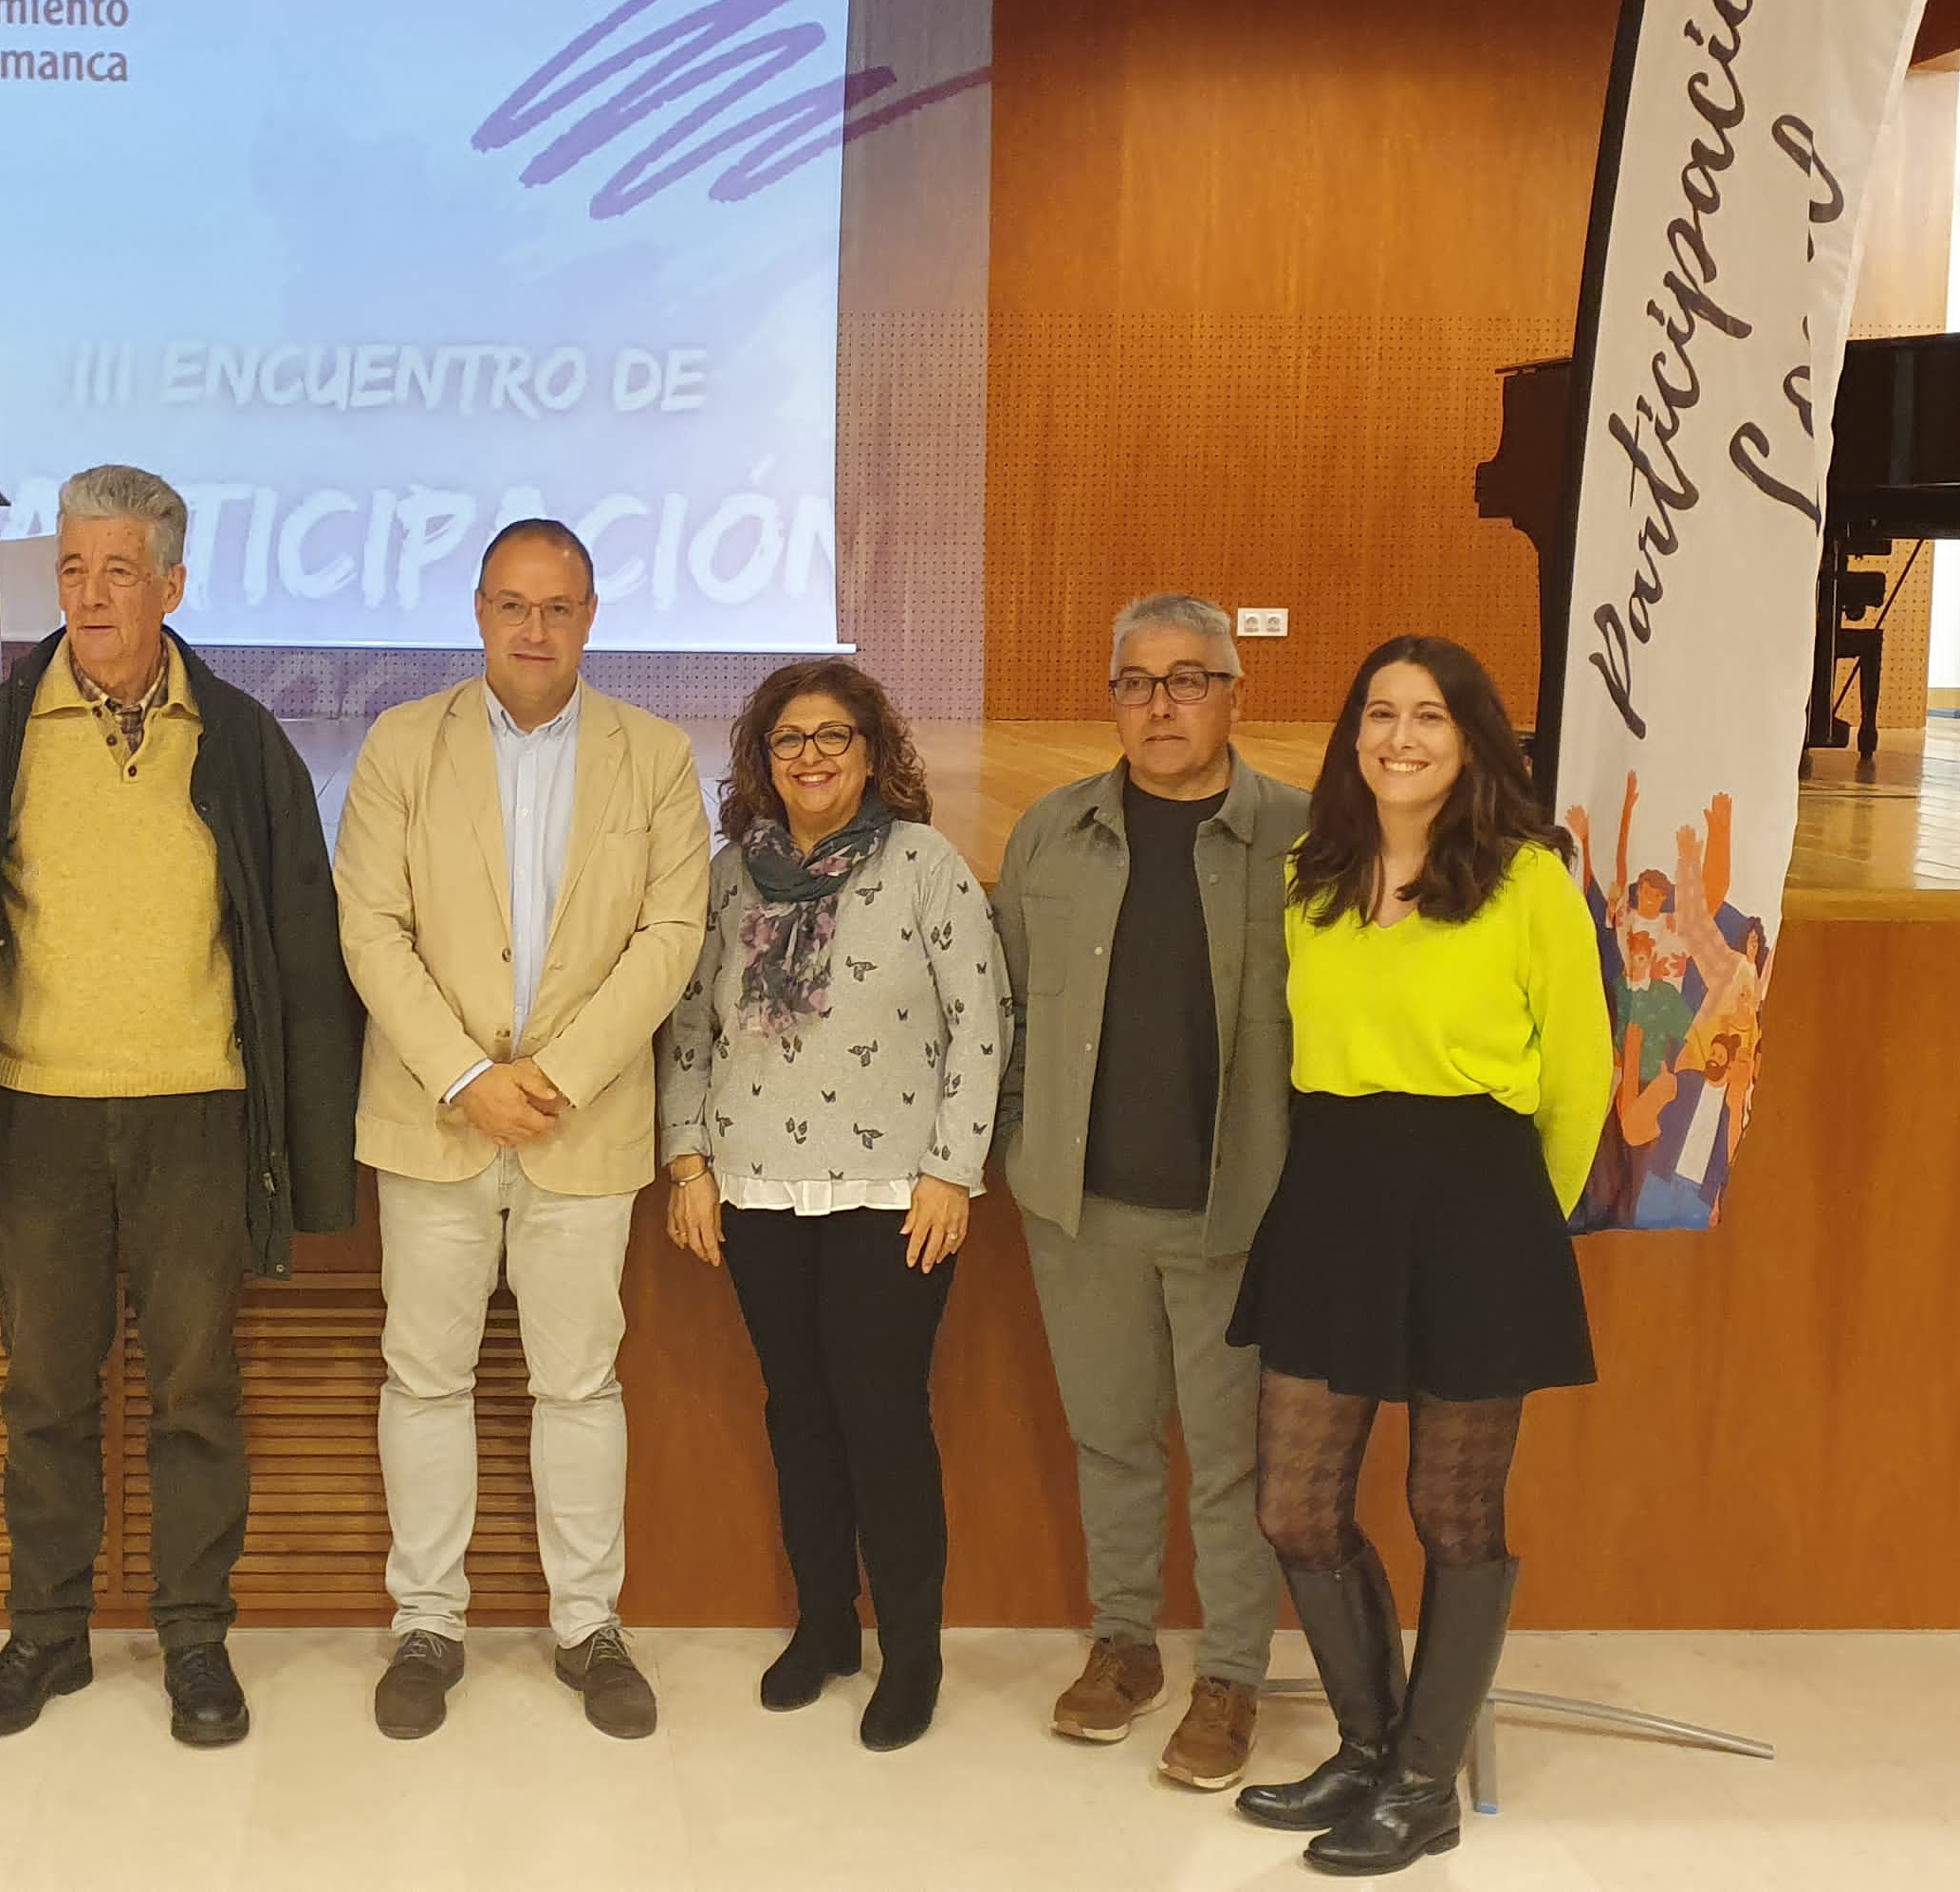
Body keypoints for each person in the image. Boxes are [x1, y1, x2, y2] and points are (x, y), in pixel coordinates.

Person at [0, 465, 361, 1751]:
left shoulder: (244, 744)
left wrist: (312, 1147)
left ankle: (194, 1636)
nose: (88, 594)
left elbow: (302, 953)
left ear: (174, 586)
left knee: (197, 1388)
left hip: (201, 1114)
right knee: (43, 1390)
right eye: (72, 570)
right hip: (41, 1116)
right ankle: (48, 1633)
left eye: (117, 571)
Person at [1225, 635, 1607, 1877]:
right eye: (1378, 713)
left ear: (1472, 738)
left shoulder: (1530, 877)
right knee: (1294, 1501)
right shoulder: (1312, 872)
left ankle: (1424, 1786)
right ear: (1352, 737)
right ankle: (1366, 1749)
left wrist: (1515, 1233)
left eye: (1428, 716)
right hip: (1335, 1194)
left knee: (1451, 1508)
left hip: (1478, 1200)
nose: (1399, 737)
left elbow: (1582, 1073)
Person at [334, 518, 707, 1741]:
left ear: (590, 617)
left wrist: (556, 1074)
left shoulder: (655, 756)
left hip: (582, 1124)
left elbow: (671, 937)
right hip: (433, 1118)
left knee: (579, 1382)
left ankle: (588, 1626)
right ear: (479, 611)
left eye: (557, 608)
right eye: (511, 605)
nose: (533, 629)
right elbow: (370, 929)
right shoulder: (401, 744)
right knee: (424, 1376)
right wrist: (463, 1077)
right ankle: (427, 1623)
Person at [656, 660, 1005, 1752]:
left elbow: (982, 1024)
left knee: (883, 1421)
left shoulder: (923, 865)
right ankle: (824, 1632)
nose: (811, 757)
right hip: (755, 1187)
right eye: (788, 739)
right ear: (763, 758)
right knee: (800, 1418)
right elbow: (688, 1031)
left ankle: (912, 1653)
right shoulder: (729, 880)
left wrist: (953, 1170)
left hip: (892, 1194)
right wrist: (687, 1161)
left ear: (871, 751)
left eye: (833, 737)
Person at [990, 593, 1302, 1790]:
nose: (1159, 704)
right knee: (1111, 1440)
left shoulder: (1300, 834)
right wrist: (1022, 1150)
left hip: (1237, 1212)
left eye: (1186, 680)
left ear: (1235, 692)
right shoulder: (1053, 832)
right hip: (1084, 1210)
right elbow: (1006, 1009)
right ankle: (1124, 1645)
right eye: (1135, 681)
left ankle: (1232, 1675)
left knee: (1231, 1462)